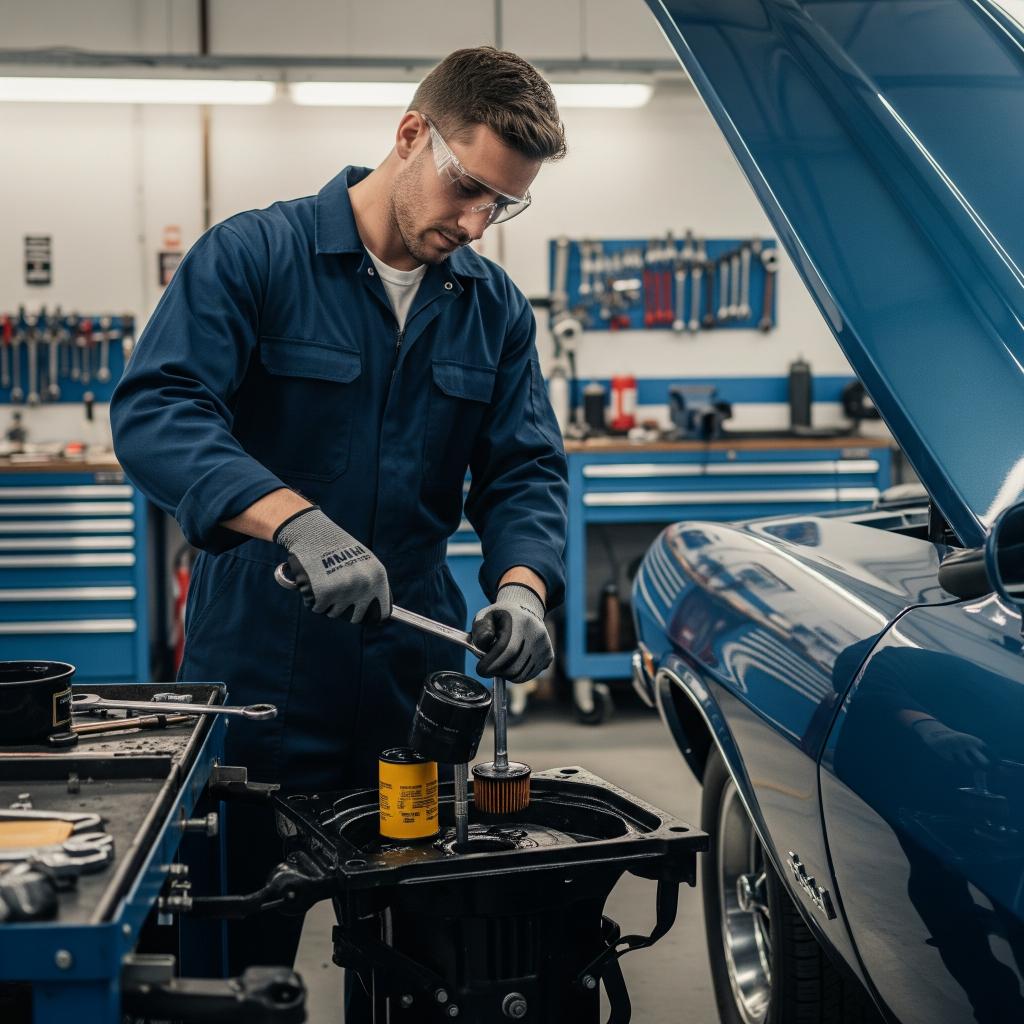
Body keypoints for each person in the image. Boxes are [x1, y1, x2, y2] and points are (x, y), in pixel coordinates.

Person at [110, 45, 569, 992]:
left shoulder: (493, 309)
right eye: (469, 188)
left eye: (503, 205)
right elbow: (158, 411)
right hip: (261, 671)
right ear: (411, 136)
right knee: (236, 954)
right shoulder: (255, 256)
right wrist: (295, 524)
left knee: (426, 957)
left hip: (415, 683)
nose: (478, 223)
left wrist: (523, 589)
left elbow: (524, 469)